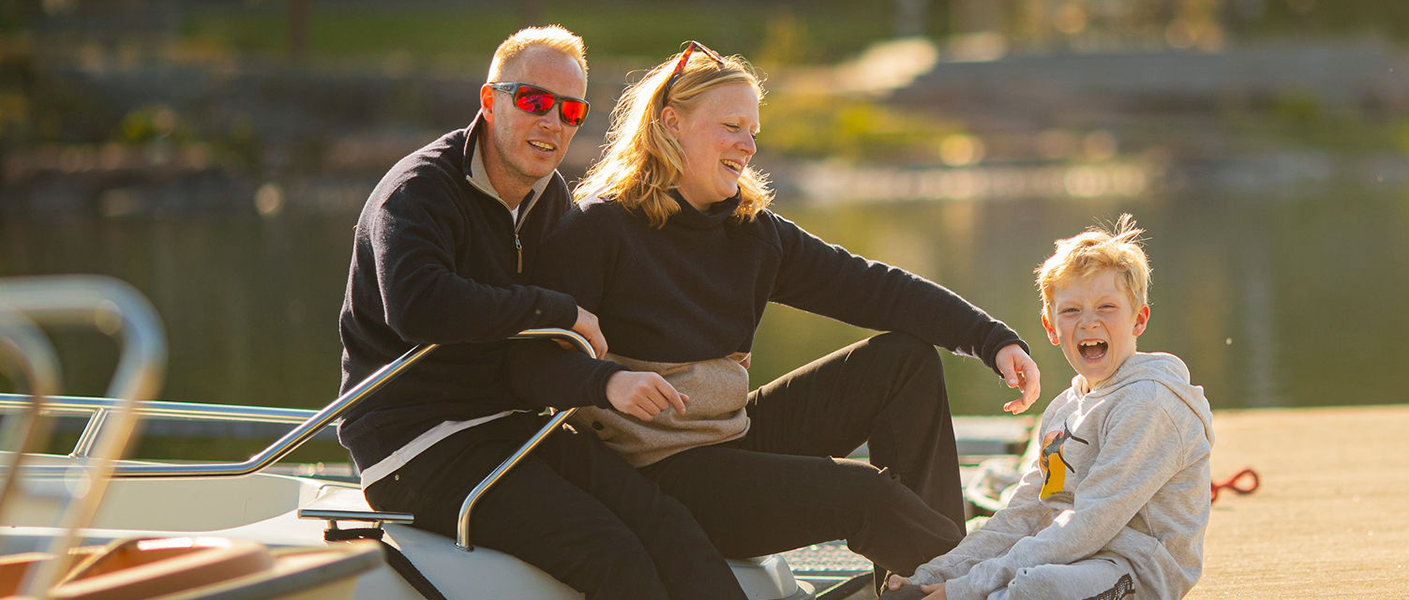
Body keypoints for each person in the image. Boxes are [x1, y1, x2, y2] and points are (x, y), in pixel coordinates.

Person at [525, 40, 1047, 582]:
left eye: (753, 130)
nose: (748, 145)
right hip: (655, 479)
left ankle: (923, 584)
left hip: (729, 439)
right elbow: (534, 366)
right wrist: (608, 380)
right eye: (731, 127)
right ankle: (1000, 586)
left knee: (903, 362)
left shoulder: (750, 231)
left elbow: (871, 287)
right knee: (861, 494)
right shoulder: (599, 228)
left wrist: (991, 338)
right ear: (671, 123)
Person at [335, 26, 745, 600]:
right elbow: (418, 305)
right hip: (414, 444)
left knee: (668, 522)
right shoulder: (419, 191)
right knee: (611, 553)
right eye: (533, 101)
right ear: (489, 101)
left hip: (512, 426)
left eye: (571, 110)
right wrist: (552, 308)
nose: (552, 122)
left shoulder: (548, 197)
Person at [884, 215, 1214, 600]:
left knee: (1033, 588)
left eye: (1106, 307)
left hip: (1133, 570)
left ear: (1138, 319)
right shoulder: (1063, 410)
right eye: (1071, 311)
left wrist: (960, 590)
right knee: (983, 578)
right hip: (1066, 555)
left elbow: (1089, 524)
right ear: (1051, 326)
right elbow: (1024, 514)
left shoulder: (1149, 405)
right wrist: (932, 575)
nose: (1089, 322)